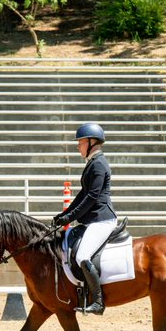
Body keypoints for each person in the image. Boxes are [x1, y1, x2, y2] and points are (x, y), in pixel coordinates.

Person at [53, 122, 117, 315]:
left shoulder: (98, 164)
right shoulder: (92, 164)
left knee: (82, 256)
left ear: (91, 142)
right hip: (93, 219)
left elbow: (92, 197)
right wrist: (64, 216)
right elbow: (82, 194)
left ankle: (98, 302)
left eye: (80, 142)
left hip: (102, 219)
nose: (78, 146)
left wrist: (70, 217)